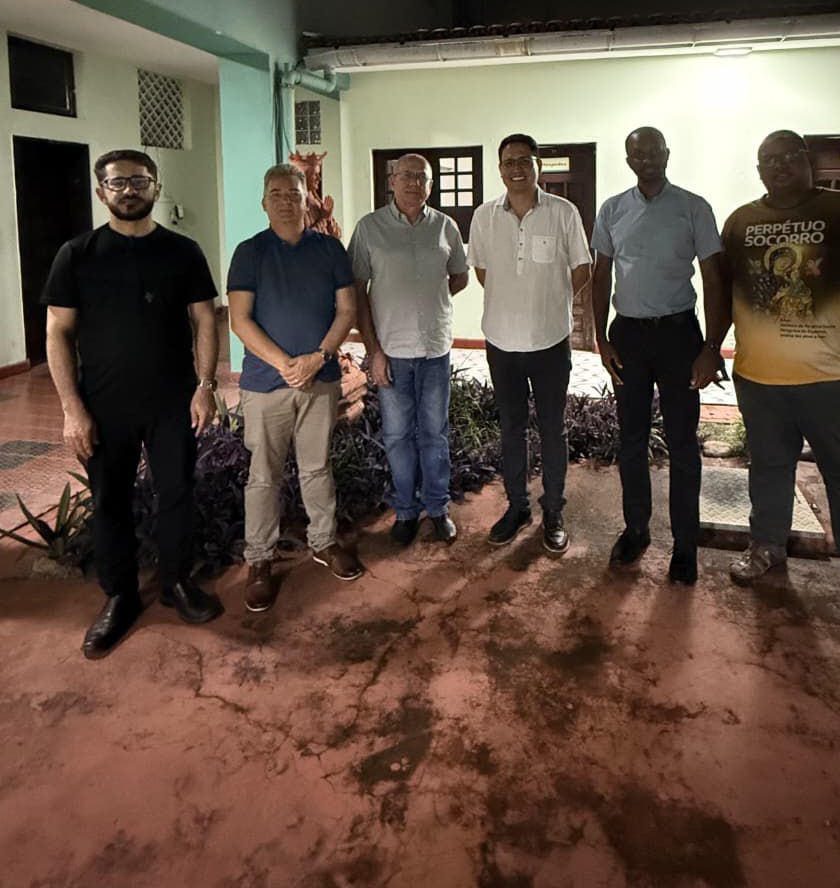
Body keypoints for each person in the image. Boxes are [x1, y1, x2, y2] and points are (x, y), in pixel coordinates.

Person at [721, 130, 840, 626]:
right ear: (758, 168)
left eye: (788, 156)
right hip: (761, 380)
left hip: (837, 381)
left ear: (808, 160)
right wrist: (709, 349)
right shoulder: (741, 222)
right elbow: (725, 294)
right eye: (768, 159)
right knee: (768, 470)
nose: (778, 165)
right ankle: (766, 547)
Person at [43, 149, 222, 659]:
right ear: (101, 192)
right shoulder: (77, 255)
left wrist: (205, 385)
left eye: (139, 181)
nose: (129, 190)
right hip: (103, 404)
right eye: (118, 182)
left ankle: (177, 582)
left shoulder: (183, 252)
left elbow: (204, 320)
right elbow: (57, 332)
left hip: (172, 400)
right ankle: (120, 596)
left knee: (177, 492)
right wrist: (71, 408)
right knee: (110, 501)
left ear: (155, 188)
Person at [592, 127, 726, 584]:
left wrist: (711, 347)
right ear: (628, 160)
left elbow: (713, 279)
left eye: (653, 151)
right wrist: (601, 339)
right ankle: (636, 530)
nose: (646, 159)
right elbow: (601, 276)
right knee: (631, 439)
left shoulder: (693, 207)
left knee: (683, 442)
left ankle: (685, 545)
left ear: (667, 154)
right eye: (637, 153)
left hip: (678, 337)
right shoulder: (612, 209)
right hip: (628, 336)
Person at [227, 163, 361, 613]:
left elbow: (347, 310)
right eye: (276, 193)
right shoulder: (249, 253)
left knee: (317, 467)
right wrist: (285, 364)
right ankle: (259, 559)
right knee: (263, 475)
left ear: (309, 200)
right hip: (267, 384)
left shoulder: (330, 250)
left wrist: (318, 357)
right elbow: (240, 319)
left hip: (320, 378)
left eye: (294, 193)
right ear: (264, 203)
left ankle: (323, 541)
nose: (286, 200)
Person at [467, 133, 592, 554]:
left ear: (538, 165)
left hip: (550, 342)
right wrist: (515, 300)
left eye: (525, 160)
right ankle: (517, 507)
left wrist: (551, 302)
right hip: (501, 342)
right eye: (509, 162)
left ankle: (553, 511)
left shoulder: (563, 212)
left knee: (553, 429)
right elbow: (483, 271)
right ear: (500, 169)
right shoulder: (484, 216)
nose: (516, 168)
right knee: (511, 428)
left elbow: (582, 267)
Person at [349, 154, 469, 547]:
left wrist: (429, 301)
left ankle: (437, 508)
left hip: (435, 350)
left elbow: (459, 276)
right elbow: (358, 292)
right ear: (392, 180)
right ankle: (404, 512)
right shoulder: (370, 228)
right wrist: (374, 351)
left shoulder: (446, 226)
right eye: (407, 176)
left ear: (430, 185)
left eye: (422, 177)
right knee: (398, 436)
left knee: (434, 434)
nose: (414, 183)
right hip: (391, 352)